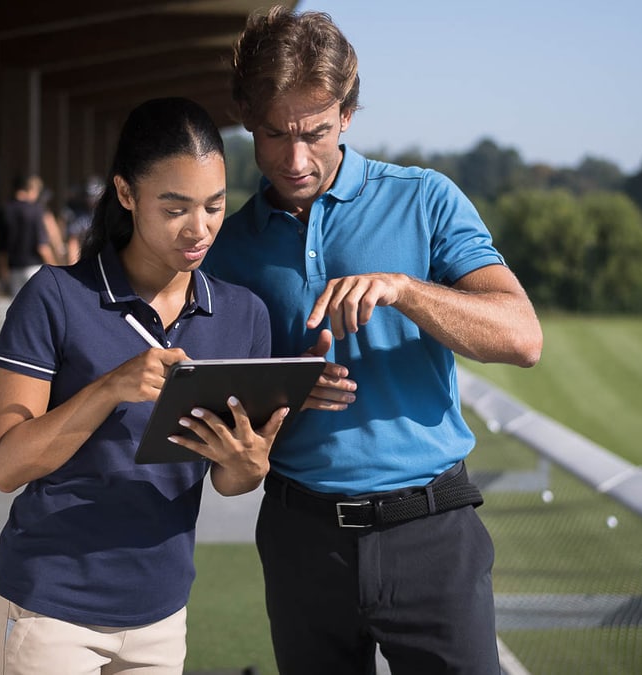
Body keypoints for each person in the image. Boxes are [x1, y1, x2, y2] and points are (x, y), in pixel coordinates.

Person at [203, 7, 543, 674]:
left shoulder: (427, 199)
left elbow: (522, 335)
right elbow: (223, 436)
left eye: (317, 132)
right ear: (246, 115)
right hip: (301, 541)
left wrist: (406, 290)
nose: (296, 159)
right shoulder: (225, 249)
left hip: (432, 537)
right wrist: (285, 393)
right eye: (275, 134)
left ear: (349, 113)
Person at [0, 97, 288, 675]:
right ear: (126, 194)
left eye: (214, 206)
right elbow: (5, 466)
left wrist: (250, 464)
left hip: (161, 617)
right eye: (175, 209)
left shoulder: (245, 316)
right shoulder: (54, 298)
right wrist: (109, 388)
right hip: (48, 608)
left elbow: (229, 481)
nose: (199, 229)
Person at [0, 174, 58, 297]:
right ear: (31, 189)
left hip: (14, 268)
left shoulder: (5, 209)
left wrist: (3, 271)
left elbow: (2, 247)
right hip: (35, 267)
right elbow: (42, 246)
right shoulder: (35, 210)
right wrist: (55, 269)